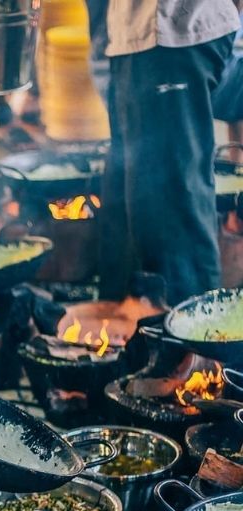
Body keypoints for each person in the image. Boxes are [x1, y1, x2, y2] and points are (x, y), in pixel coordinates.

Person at [86, 0, 239, 306]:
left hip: (169, 32)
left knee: (174, 214)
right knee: (133, 205)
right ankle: (136, 331)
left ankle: (194, 344)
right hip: (141, 37)